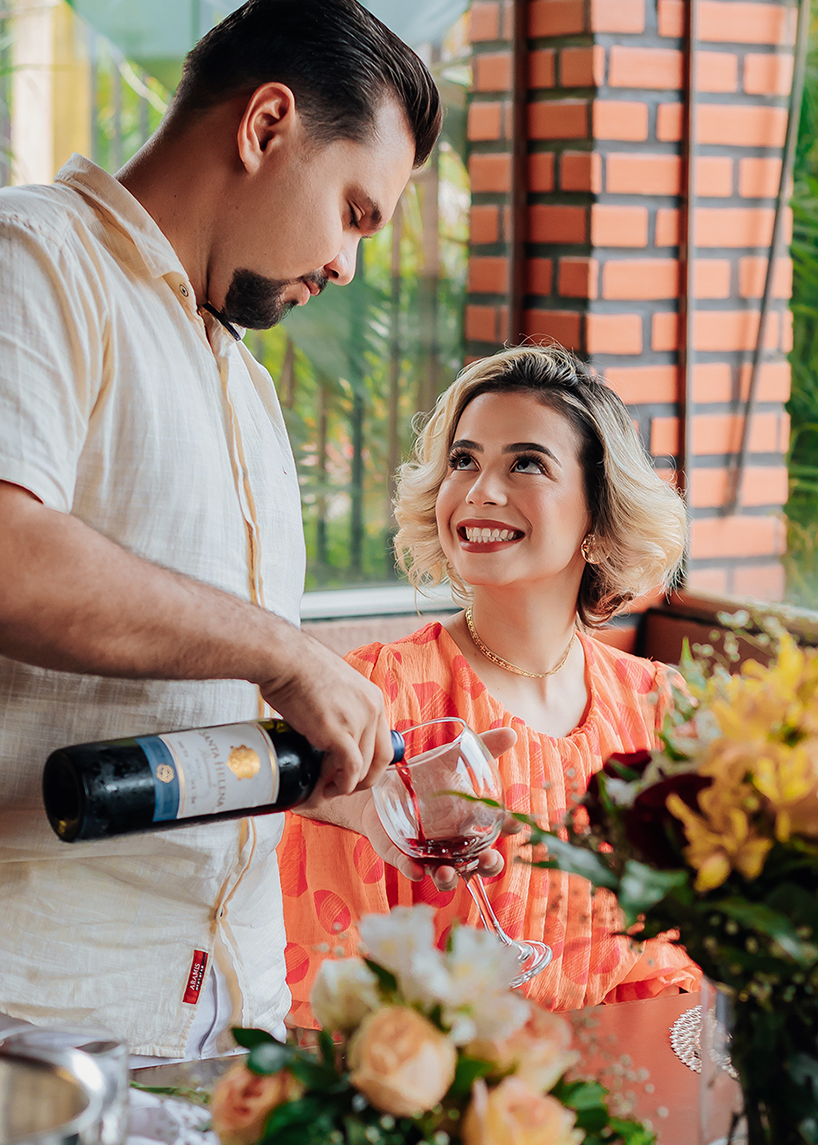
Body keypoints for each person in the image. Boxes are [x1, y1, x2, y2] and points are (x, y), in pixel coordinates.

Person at [0, 0, 449, 1059]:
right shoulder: (15, 255)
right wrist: (285, 655)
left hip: (209, 1017)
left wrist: (341, 790)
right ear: (267, 123)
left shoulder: (242, 383)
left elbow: (165, 683)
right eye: (355, 211)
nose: (348, 263)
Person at [279, 342, 699, 1024]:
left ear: (597, 512)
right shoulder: (379, 692)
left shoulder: (661, 710)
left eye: (526, 463)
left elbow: (682, 966)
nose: (479, 491)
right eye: (463, 461)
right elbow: (326, 976)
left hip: (625, 1096)